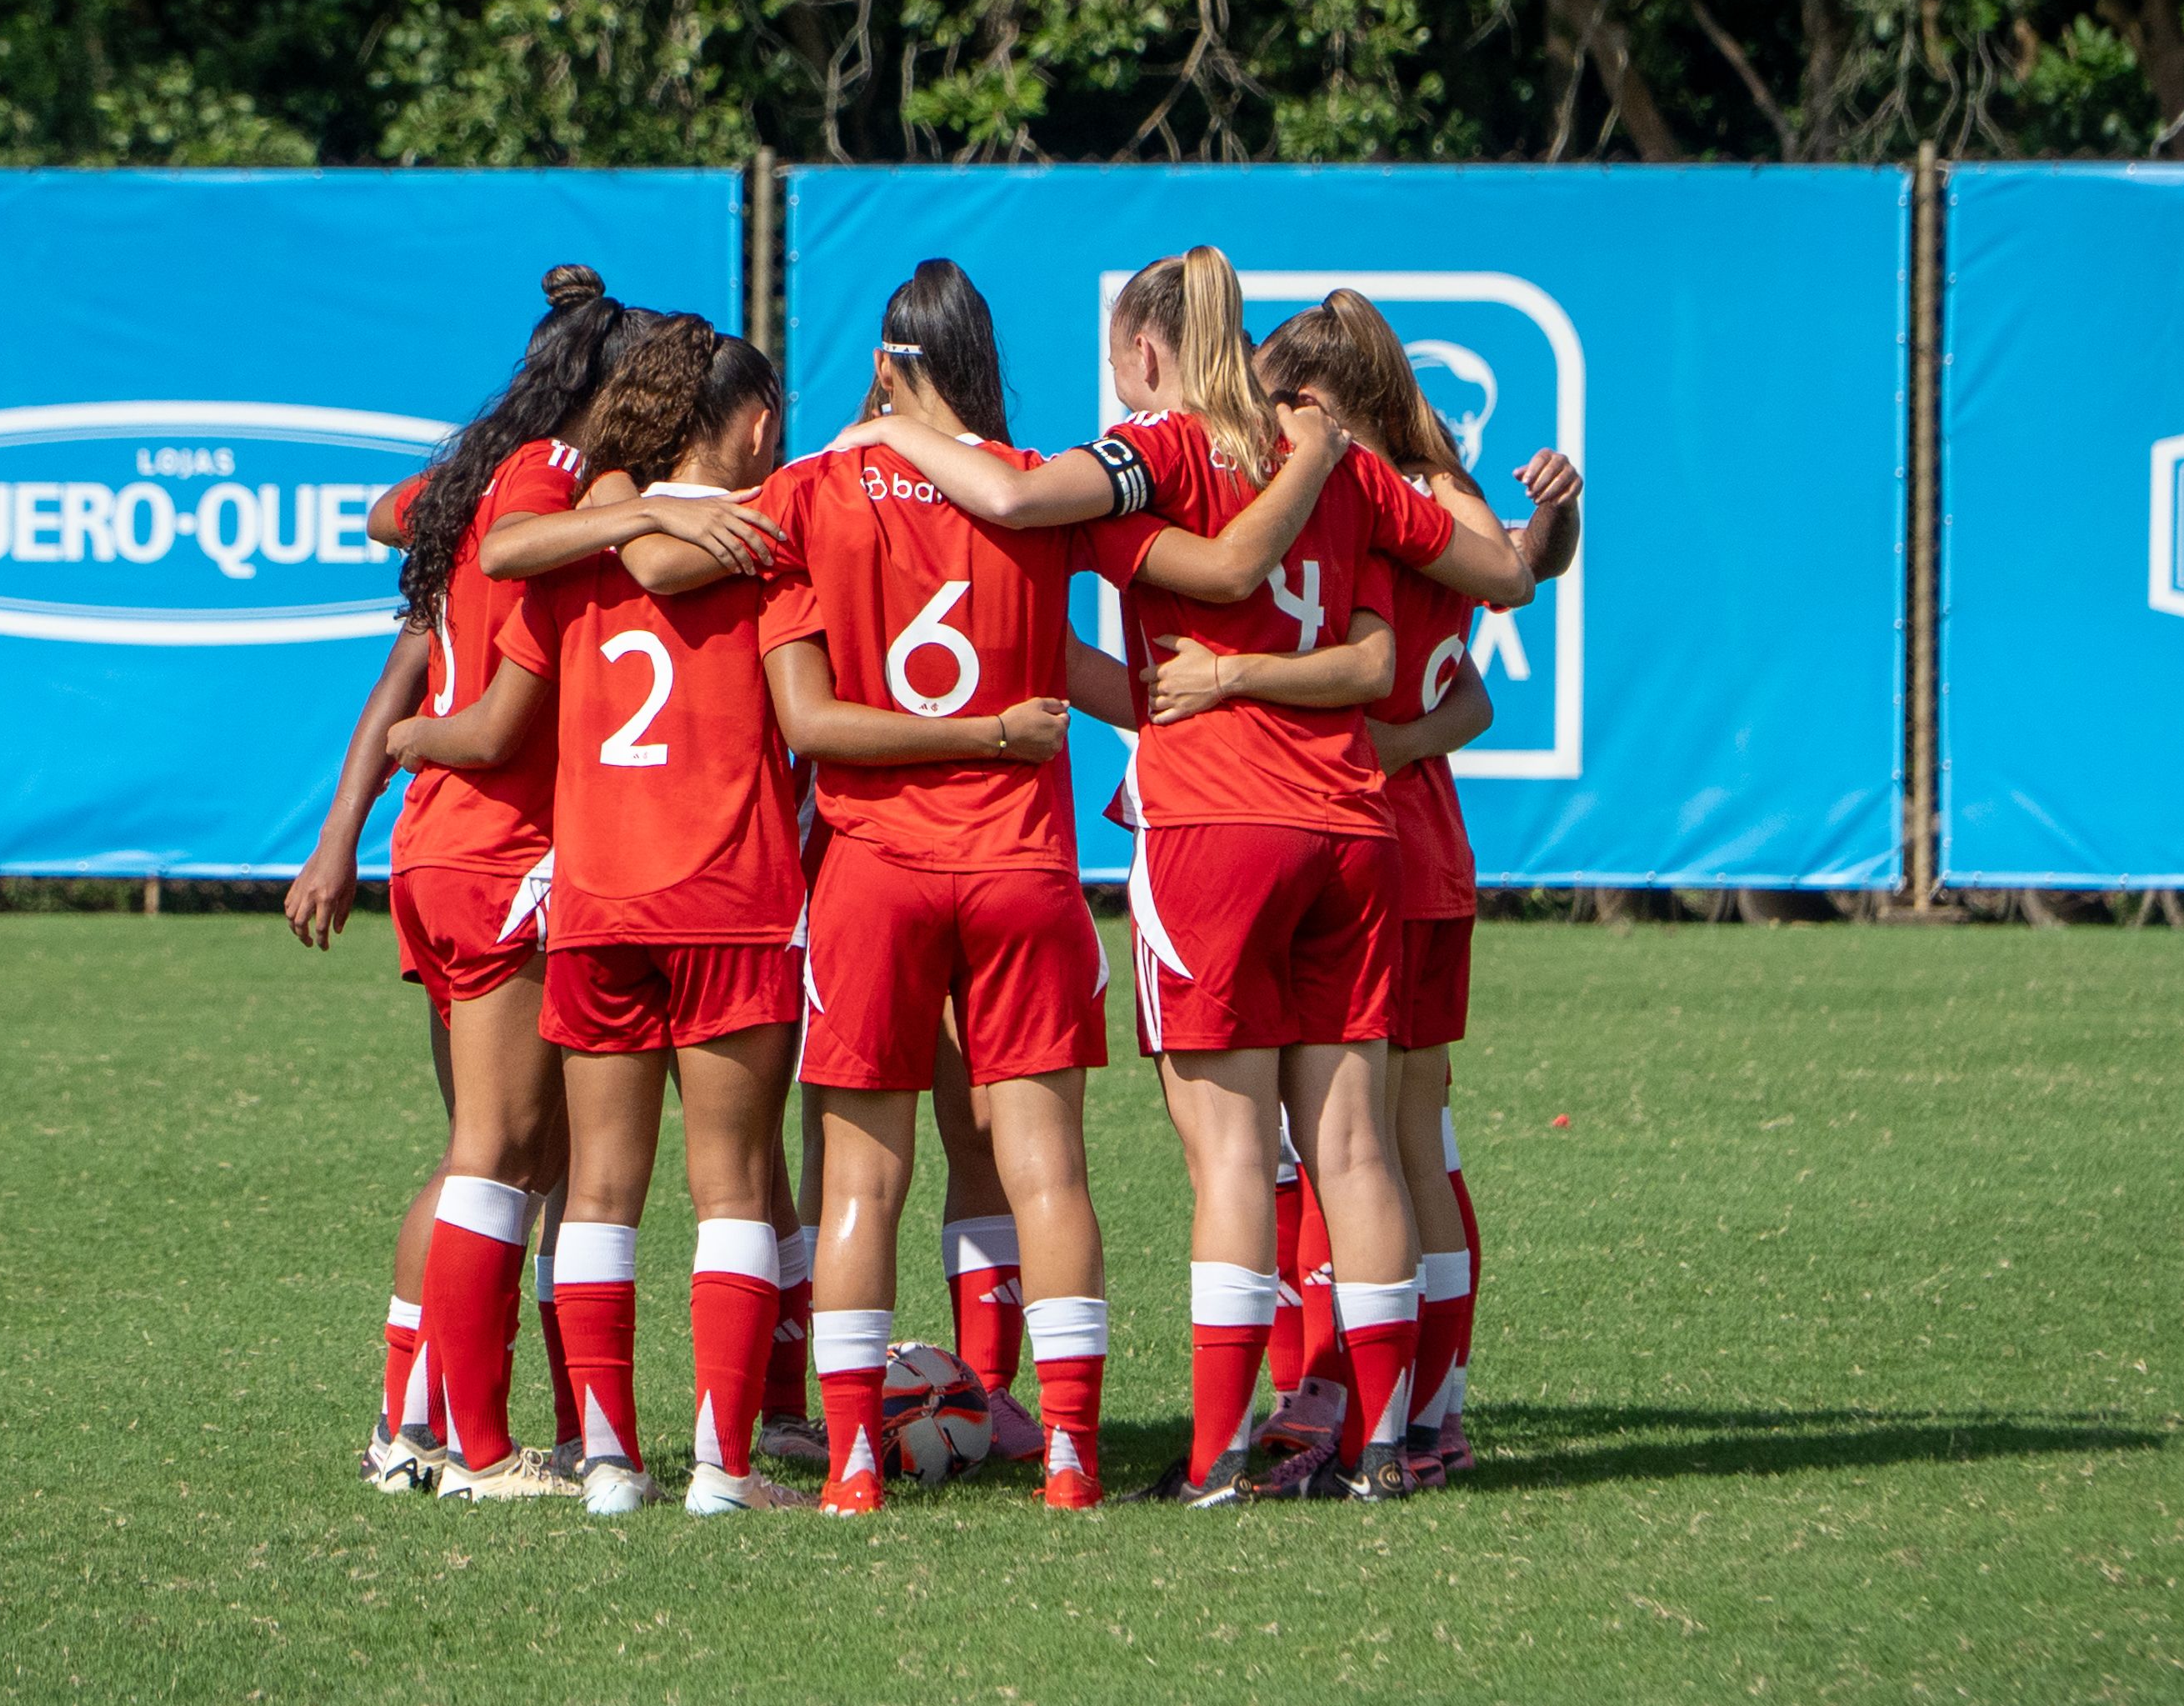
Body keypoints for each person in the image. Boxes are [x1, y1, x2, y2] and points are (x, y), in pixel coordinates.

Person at [625, 257, 1339, 1510]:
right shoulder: (1034, 489)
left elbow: (668, 573)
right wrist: (1177, 699)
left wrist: (640, 503)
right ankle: (1067, 1454)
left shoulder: (815, 488)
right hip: (1022, 867)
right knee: (1046, 1168)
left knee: (862, 1180)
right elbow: (1203, 576)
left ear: (886, 365)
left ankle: (851, 1464)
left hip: (873, 872)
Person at [829, 245, 1528, 1503]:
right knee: (1356, 1151)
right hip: (1355, 827)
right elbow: (1500, 575)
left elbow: (1023, 504)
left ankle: (1219, 1454)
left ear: (1147, 354)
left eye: (1118, 365)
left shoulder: (1153, 452)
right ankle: (1379, 1447)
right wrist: (1339, 466)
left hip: (1217, 825)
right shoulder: (1346, 461)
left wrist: (892, 430)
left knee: (1229, 1158)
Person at [387, 320, 815, 1517]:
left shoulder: (562, 552)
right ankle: (728, 1468)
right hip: (728, 895)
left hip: (593, 903)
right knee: (731, 1186)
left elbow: (481, 564)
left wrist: (627, 509)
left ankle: (610, 1465)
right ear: (758, 426)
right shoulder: (772, 532)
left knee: (597, 1192)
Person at [287, 263, 629, 1499]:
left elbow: (393, 528)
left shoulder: (483, 488)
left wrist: (341, 833)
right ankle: (460, 1447)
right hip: (498, 847)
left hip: (438, 847)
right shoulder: (549, 487)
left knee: (490, 1152)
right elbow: (457, 707)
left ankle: (413, 1426)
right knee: (502, 1152)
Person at [1252, 290, 1582, 1488]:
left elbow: (1403, 660)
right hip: (1427, 852)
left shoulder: (1364, 503)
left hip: (1357, 848)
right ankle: (1422, 1414)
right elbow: (1504, 612)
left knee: (1331, 1145)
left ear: (1322, 403)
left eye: (1279, 400)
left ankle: (1341, 1406)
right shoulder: (1440, 494)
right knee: (1412, 1144)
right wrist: (1555, 527)